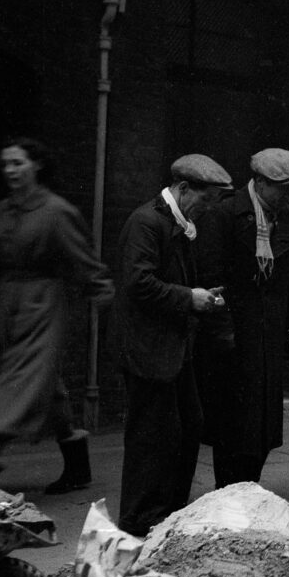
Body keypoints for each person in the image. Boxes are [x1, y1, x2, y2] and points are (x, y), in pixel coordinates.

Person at [0, 138, 114, 490]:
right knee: (43, 380)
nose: (10, 170)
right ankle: (77, 465)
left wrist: (100, 288)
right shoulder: (2, 210)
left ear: (37, 165)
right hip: (6, 305)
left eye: (18, 163)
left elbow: (83, 256)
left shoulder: (56, 211)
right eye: (6, 164)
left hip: (43, 305)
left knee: (20, 375)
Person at [115, 153, 232, 538]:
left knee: (187, 426)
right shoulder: (146, 223)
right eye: (205, 200)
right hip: (149, 350)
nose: (208, 210)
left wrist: (199, 296)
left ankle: (170, 512)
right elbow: (139, 283)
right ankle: (139, 518)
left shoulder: (176, 224)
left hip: (173, 350)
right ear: (183, 189)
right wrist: (189, 298)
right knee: (152, 435)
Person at [195, 148, 289, 487]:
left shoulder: (288, 217)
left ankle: (250, 487)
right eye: (282, 187)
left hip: (269, 334)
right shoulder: (225, 215)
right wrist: (223, 334)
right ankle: (228, 491)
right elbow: (211, 276)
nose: (288, 195)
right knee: (232, 424)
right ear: (259, 182)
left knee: (263, 424)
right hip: (234, 335)